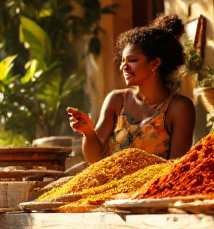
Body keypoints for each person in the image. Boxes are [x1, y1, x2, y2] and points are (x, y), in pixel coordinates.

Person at [68, 14, 195, 163]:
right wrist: (88, 132)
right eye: (122, 61)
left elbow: (176, 166)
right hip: (112, 185)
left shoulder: (179, 107)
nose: (123, 67)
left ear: (155, 63)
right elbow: (94, 159)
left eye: (132, 60)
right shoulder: (116, 101)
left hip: (156, 185)